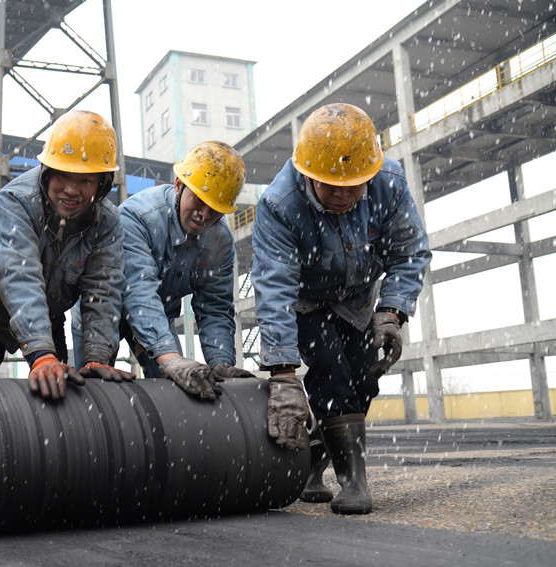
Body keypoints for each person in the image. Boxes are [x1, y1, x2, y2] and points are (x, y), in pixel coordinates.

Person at [251, 103, 432, 514]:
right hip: (305, 301)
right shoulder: (279, 204)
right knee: (331, 376)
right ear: (308, 173)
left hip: (357, 300)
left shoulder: (389, 182)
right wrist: (282, 371)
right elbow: (274, 289)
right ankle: (353, 481)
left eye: (353, 186)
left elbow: (409, 252)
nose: (343, 195)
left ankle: (314, 463)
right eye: (331, 186)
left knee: (364, 380)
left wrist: (391, 312)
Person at [0, 110, 133, 400]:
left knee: (62, 397)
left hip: (48, 312)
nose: (71, 190)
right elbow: (19, 276)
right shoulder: (15, 202)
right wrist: (41, 354)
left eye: (86, 181)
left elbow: (102, 291)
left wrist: (97, 356)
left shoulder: (107, 222)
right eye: (63, 175)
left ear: (102, 184)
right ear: (47, 170)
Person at [74, 141, 255, 400]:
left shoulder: (220, 240)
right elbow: (138, 291)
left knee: (176, 397)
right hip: (103, 313)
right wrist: (169, 357)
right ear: (179, 185)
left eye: (215, 209)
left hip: (158, 315)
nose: (204, 214)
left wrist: (220, 363)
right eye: (199, 200)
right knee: (91, 395)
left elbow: (215, 306)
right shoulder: (137, 217)